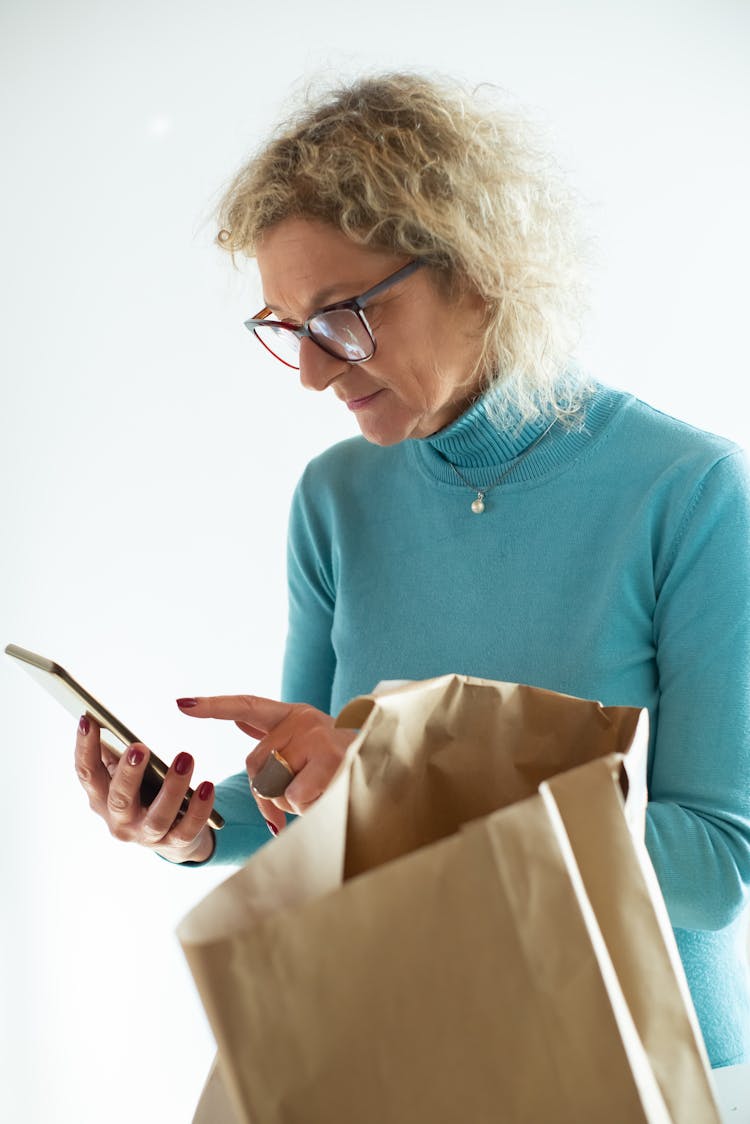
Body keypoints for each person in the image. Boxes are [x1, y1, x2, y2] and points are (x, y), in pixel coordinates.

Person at [74, 72, 750, 1069]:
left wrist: (404, 786)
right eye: (286, 328)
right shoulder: (334, 499)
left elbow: (714, 869)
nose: (311, 370)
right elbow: (311, 798)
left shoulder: (689, 491)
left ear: (477, 272)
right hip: (396, 1050)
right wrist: (189, 827)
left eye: (342, 314)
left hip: (625, 1068)